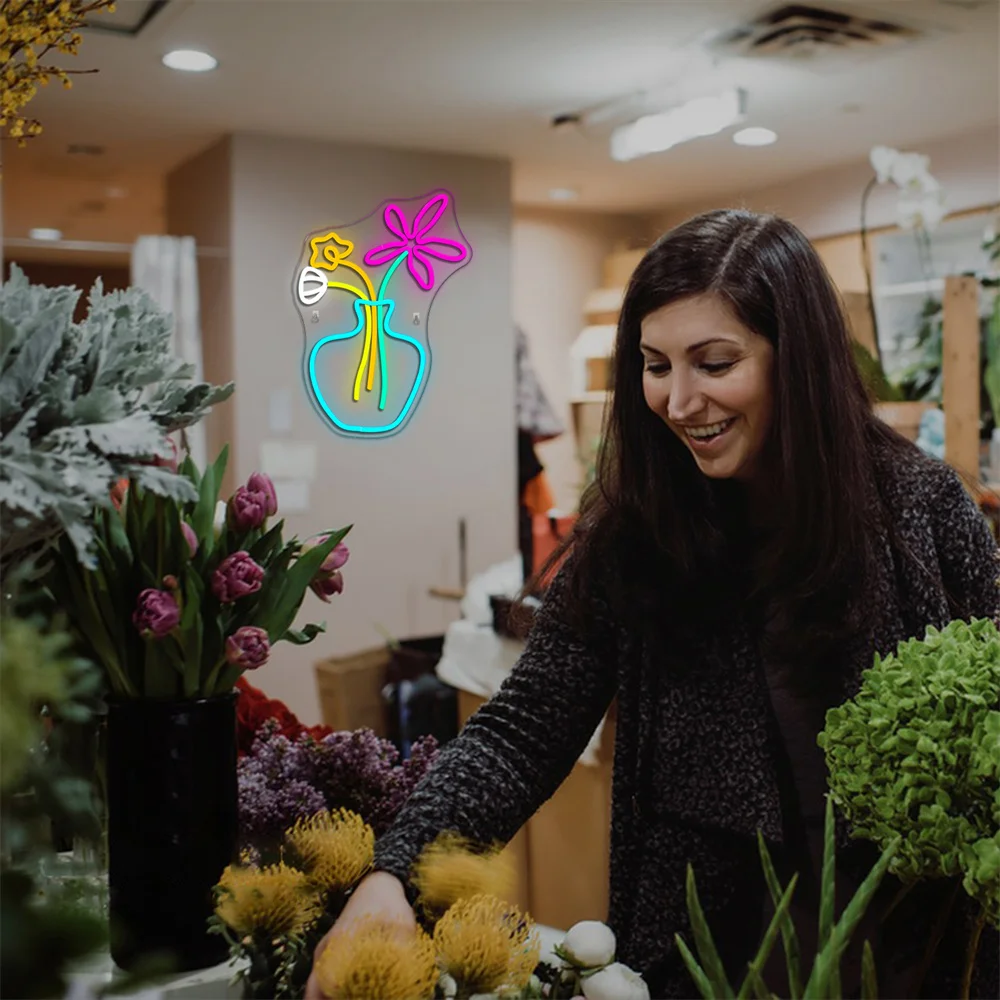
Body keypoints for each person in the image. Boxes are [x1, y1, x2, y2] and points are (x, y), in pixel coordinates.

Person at [306, 210, 999, 999]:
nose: (677, 402)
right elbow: (522, 728)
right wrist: (394, 873)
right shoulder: (638, 534)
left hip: (911, 947)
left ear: (796, 360)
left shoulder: (920, 507)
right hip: (708, 950)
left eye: (713, 362)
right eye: (655, 364)